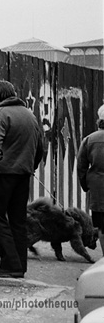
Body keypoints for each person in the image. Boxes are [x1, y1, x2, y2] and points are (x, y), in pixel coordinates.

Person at [0, 80, 45, 278]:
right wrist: (29, 167)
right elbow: (39, 147)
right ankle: (19, 265)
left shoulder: (1, 114)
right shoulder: (30, 115)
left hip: (3, 174)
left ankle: (9, 262)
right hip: (23, 174)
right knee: (18, 220)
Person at [77, 104, 104, 256]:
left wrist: (85, 185)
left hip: (98, 189)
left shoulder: (89, 140)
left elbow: (81, 166)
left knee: (101, 226)